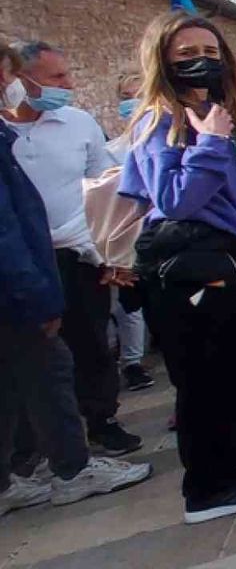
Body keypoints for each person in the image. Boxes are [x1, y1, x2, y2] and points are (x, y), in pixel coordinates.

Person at [118, 11, 236, 523]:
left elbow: (230, 197)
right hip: (187, 271)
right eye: (187, 55)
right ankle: (207, 488)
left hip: (230, 262)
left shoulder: (218, 114)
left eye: (211, 54)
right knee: (204, 383)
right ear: (164, 61)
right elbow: (174, 200)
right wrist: (211, 144)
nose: (201, 63)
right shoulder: (159, 122)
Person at [1, 44, 152, 518]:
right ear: (22, 79)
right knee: (44, 367)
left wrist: (108, 247)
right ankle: (59, 463)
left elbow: (103, 184)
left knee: (85, 348)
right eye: (57, 78)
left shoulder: (79, 125)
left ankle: (94, 427)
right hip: (24, 270)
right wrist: (33, 289)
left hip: (75, 253)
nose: (68, 86)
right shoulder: (6, 134)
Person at [104, 71, 153, 392]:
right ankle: (130, 362)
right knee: (126, 305)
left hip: (159, 235)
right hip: (126, 234)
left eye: (138, 94)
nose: (131, 102)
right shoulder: (111, 149)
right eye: (126, 96)